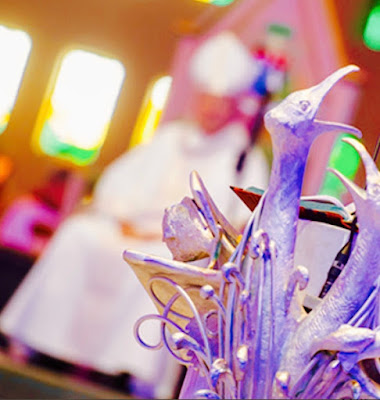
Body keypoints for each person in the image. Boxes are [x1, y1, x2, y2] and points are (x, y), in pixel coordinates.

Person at [0, 31, 270, 399]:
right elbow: (116, 188)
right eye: (206, 98)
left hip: (175, 250)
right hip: (128, 231)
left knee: (157, 268)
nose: (211, 109)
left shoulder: (243, 159)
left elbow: (237, 225)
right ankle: (38, 343)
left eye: (221, 102)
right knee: (79, 236)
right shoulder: (171, 138)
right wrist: (124, 218)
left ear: (235, 105)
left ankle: (128, 373)